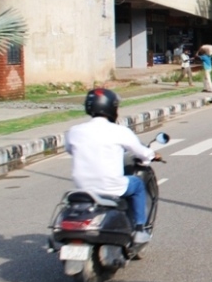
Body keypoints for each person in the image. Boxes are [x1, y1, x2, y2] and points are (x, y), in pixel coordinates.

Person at [66, 89, 160, 242]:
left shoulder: (74, 131)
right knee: (137, 185)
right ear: (111, 108)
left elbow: (70, 150)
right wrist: (152, 156)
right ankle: (139, 229)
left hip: (83, 187)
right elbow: (142, 152)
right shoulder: (119, 131)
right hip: (111, 186)